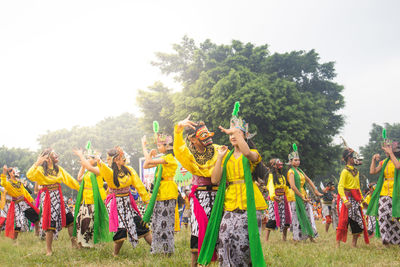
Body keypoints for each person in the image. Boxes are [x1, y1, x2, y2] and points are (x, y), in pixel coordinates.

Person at [199, 103, 266, 266]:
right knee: (225, 240)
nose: (233, 136)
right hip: (230, 205)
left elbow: (247, 152)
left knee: (243, 245)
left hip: (249, 205)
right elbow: (215, 180)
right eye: (231, 134)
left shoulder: (252, 154)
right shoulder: (227, 156)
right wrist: (220, 158)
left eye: (238, 133)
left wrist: (236, 131)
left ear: (245, 135)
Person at [173, 115, 221, 267]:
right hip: (199, 197)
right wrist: (179, 129)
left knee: (218, 227)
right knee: (197, 228)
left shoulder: (217, 150)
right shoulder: (189, 155)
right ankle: (195, 264)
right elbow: (179, 149)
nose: (207, 140)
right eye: (201, 137)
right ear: (193, 139)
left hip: (217, 195)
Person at [92, 146, 151, 256]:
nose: (124, 158)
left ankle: (155, 248)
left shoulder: (129, 170)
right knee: (121, 230)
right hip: (116, 205)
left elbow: (139, 185)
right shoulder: (110, 173)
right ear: (116, 160)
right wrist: (99, 160)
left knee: (141, 225)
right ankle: (115, 254)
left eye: (123, 156)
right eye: (121, 157)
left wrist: (147, 201)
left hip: (128, 204)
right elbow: (103, 167)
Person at [26, 148, 80, 255]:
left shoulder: (58, 169)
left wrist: (80, 188)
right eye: (54, 154)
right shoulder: (40, 170)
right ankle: (49, 250)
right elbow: (29, 175)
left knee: (70, 220)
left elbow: (69, 179)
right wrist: (38, 162)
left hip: (58, 196)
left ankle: (74, 244)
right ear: (48, 158)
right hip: (48, 197)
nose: (57, 156)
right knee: (50, 224)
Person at [141, 131, 178, 255]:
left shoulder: (169, 158)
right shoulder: (162, 159)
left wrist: (144, 147)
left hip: (167, 193)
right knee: (157, 222)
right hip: (160, 193)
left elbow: (148, 161)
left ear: (167, 146)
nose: (157, 147)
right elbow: (146, 165)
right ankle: (158, 249)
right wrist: (150, 156)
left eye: (159, 145)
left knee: (165, 223)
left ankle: (166, 250)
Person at [72, 148, 111, 248]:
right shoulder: (88, 172)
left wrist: (81, 156)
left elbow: (89, 168)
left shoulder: (99, 169)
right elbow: (79, 178)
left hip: (96, 199)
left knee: (92, 222)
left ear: (95, 160)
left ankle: (94, 243)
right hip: (86, 199)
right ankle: (84, 242)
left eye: (88, 158)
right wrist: (82, 165)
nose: (87, 160)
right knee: (81, 220)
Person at [287, 144, 322, 242]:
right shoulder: (291, 172)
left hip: (304, 196)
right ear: (290, 161)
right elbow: (293, 187)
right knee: (297, 218)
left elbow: (309, 180)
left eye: (298, 160)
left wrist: (315, 190)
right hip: (296, 197)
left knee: (308, 217)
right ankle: (296, 238)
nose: (297, 162)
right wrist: (301, 196)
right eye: (295, 160)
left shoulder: (300, 171)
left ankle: (311, 236)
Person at [367, 140, 400, 245]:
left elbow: (398, 166)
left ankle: (396, 240)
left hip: (397, 191)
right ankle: (385, 239)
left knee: (394, 216)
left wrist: (390, 153)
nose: (386, 149)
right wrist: (373, 160)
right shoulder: (384, 162)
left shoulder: (397, 160)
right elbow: (372, 171)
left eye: (389, 147)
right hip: (384, 192)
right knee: (382, 215)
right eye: (385, 147)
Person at [336, 148, 369, 247]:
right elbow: (340, 186)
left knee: (357, 221)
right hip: (346, 199)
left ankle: (354, 244)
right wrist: (345, 200)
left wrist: (362, 199)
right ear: (349, 158)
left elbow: (357, 187)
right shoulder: (345, 171)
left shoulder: (356, 171)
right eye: (354, 157)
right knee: (344, 221)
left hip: (355, 199)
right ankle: (337, 243)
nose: (356, 159)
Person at [1, 166, 39, 241]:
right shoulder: (8, 183)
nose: (14, 171)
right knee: (18, 224)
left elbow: (25, 192)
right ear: (9, 173)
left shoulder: (19, 183)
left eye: (15, 170)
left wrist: (31, 200)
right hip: (16, 205)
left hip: (24, 203)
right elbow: (3, 183)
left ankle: (37, 234)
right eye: (12, 171)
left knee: (35, 216)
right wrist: (4, 172)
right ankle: (14, 241)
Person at [265, 158, 291, 241]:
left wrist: (289, 197)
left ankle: (284, 239)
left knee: (285, 217)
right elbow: (271, 186)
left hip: (283, 199)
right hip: (274, 199)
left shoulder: (283, 177)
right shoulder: (271, 176)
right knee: (272, 218)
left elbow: (286, 188)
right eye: (278, 164)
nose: (280, 165)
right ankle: (266, 240)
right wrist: (273, 196)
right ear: (274, 166)